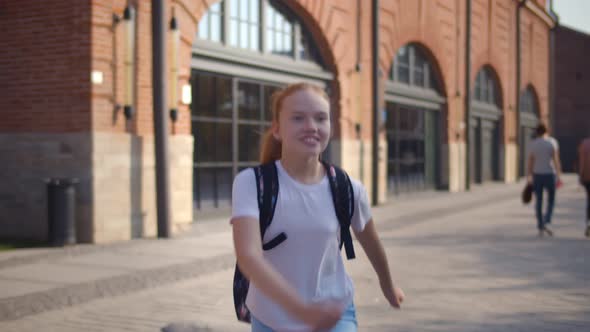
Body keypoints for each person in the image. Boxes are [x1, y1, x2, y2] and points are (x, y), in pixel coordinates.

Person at [231, 83, 404, 332]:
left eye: (321, 118)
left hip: (334, 314)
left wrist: (388, 286)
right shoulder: (251, 183)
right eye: (298, 118)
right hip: (271, 318)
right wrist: (303, 311)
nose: (311, 126)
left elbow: (370, 240)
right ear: (277, 130)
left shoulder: (347, 188)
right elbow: (248, 256)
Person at [527, 123, 562, 237]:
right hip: (549, 174)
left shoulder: (533, 144)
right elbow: (556, 160)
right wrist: (559, 175)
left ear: (537, 132)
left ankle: (540, 225)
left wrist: (529, 175)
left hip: (537, 175)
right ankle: (547, 221)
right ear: (547, 130)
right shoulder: (552, 142)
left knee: (539, 201)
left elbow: (530, 161)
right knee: (551, 200)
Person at [577, 137, 590, 237]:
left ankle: (589, 222)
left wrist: (581, 175)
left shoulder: (585, 144)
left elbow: (582, 162)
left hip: (587, 177)